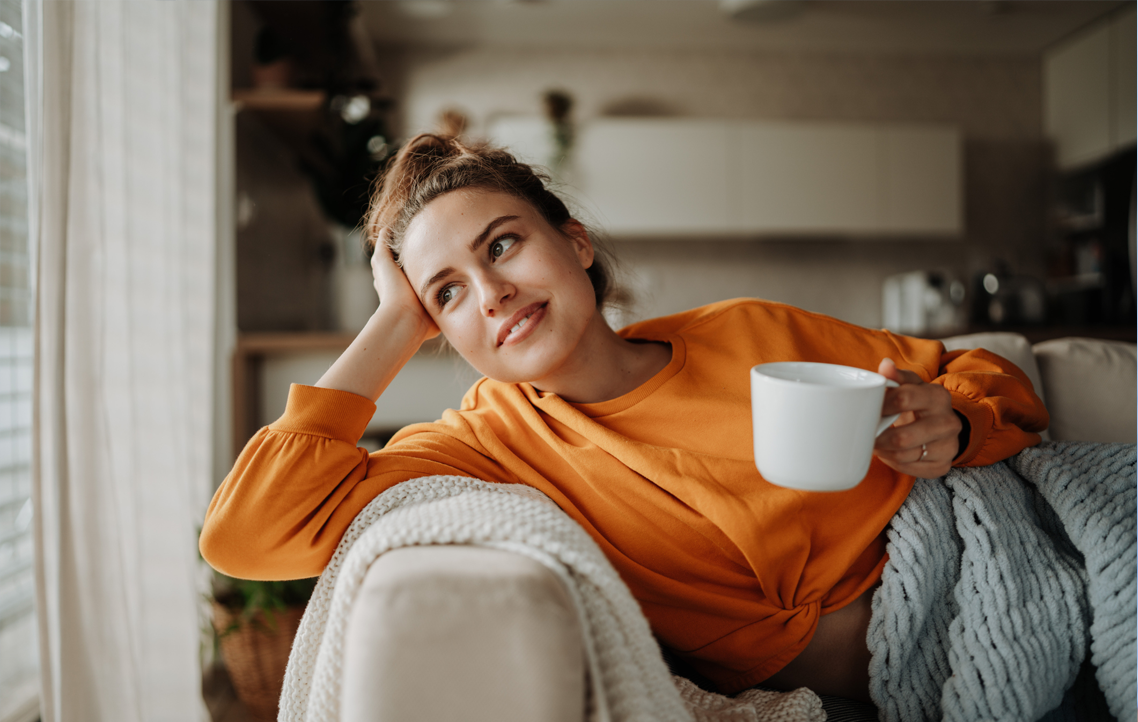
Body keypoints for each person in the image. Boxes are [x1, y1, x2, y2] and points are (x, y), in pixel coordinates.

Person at [199, 133, 1048, 704]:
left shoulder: (750, 331)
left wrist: (959, 424)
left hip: (983, 582)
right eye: (447, 294)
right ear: (435, 330)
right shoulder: (485, 444)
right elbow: (245, 534)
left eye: (501, 245)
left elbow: (987, 373)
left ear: (574, 245)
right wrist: (389, 325)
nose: (491, 293)